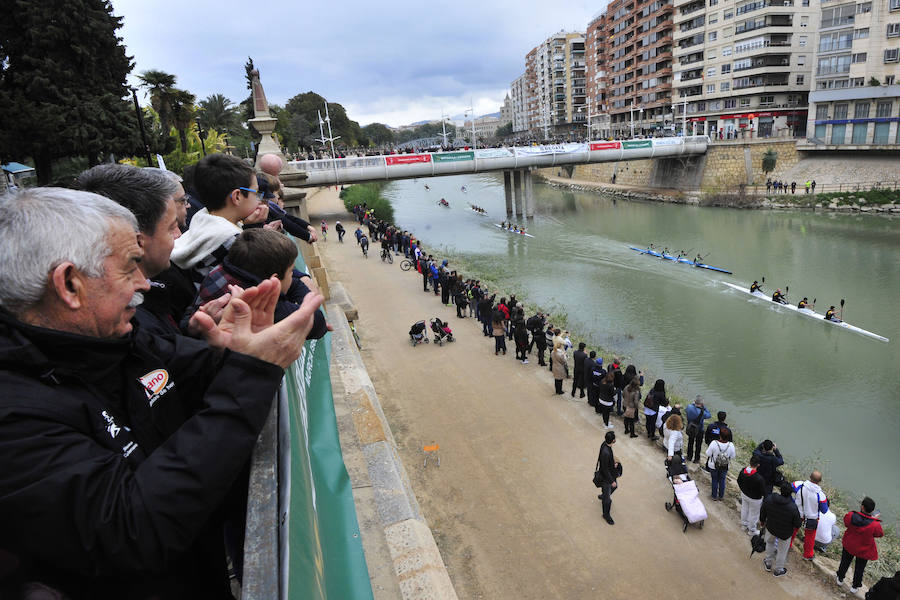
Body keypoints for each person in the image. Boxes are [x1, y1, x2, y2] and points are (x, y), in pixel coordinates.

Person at [0, 187, 323, 598]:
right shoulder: (12, 414)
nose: (145, 284)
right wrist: (252, 373)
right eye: (129, 267)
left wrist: (237, 351)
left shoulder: (122, 336)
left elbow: (198, 377)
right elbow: (132, 529)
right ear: (70, 284)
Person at [75, 164, 185, 336]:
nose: (178, 235)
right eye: (172, 228)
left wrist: (192, 329)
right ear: (136, 240)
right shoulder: (126, 324)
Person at [183, 228, 328, 338]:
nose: (294, 276)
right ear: (274, 280)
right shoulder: (253, 302)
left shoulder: (224, 270)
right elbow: (316, 322)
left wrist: (292, 280)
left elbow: (290, 282)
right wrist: (302, 291)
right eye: (291, 271)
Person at [170, 154, 268, 290]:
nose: (259, 199)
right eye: (256, 192)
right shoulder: (231, 241)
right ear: (237, 196)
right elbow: (263, 279)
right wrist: (256, 230)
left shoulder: (202, 221)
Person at [836, 497, 884, 594]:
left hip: (849, 544)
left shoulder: (851, 515)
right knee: (859, 568)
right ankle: (855, 587)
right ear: (872, 510)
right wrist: (873, 519)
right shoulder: (875, 524)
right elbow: (879, 534)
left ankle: (840, 579)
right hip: (863, 549)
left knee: (845, 562)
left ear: (862, 507)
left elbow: (846, 523)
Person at [759, 481, 803, 578]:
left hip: (771, 527)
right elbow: (797, 524)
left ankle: (768, 563)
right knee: (782, 551)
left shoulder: (770, 499)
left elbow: (763, 511)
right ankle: (778, 570)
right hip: (785, 533)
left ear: (780, 490)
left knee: (770, 544)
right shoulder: (793, 507)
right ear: (790, 493)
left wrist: (762, 521)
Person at [793, 471, 829, 560]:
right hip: (811, 518)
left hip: (797, 513)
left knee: (792, 530)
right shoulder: (821, 495)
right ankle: (807, 555)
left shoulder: (799, 484)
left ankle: (787, 544)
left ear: (810, 477)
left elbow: (789, 488)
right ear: (820, 481)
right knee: (810, 537)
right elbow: (824, 510)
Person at [595, 431, 619, 525]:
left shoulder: (604, 444)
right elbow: (605, 469)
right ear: (613, 440)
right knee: (607, 499)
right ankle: (606, 515)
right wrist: (611, 480)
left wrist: (613, 463)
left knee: (614, 487)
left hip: (609, 473)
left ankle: (604, 495)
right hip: (607, 477)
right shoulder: (606, 453)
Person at [738, 455, 766, 535]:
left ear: (750, 462)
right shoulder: (759, 478)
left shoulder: (743, 471)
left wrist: (743, 489)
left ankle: (744, 525)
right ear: (758, 465)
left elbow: (738, 481)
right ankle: (752, 530)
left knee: (744, 509)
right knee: (754, 514)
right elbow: (763, 491)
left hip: (744, 494)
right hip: (755, 499)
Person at [705, 427, 735, 501]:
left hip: (713, 465)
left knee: (714, 480)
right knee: (722, 480)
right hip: (724, 466)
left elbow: (708, 453)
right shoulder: (731, 445)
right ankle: (721, 496)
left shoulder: (714, 443)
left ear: (720, 435)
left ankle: (714, 496)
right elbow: (733, 456)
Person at [684, 396, 711, 464]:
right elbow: (709, 415)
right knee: (698, 445)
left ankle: (689, 456)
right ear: (701, 404)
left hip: (690, 428)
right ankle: (696, 459)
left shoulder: (689, 407)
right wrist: (704, 407)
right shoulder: (703, 412)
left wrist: (693, 404)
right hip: (699, 430)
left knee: (690, 442)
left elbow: (686, 409)